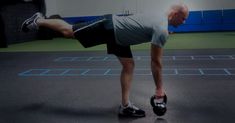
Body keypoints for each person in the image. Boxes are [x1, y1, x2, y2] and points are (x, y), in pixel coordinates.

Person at [21, 3, 189, 117]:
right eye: (183, 18)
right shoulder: (161, 27)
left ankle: (125, 107)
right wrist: (159, 91)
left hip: (121, 38)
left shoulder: (159, 19)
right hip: (109, 26)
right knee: (69, 32)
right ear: (174, 14)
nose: (185, 21)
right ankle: (38, 20)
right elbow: (156, 63)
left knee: (129, 65)